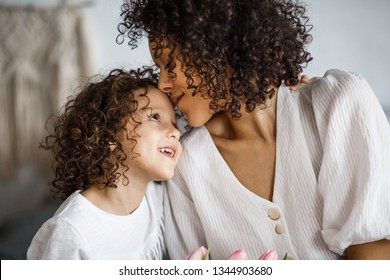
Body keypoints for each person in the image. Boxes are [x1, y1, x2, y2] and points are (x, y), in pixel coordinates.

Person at [117, 0, 390, 260]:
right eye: (159, 69)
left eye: (170, 65)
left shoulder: (337, 105)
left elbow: (374, 252)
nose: (163, 83)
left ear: (215, 47)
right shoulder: (184, 165)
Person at [27, 68, 182, 259]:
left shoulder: (156, 196)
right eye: (155, 117)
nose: (175, 132)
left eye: (174, 124)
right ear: (110, 135)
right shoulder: (71, 231)